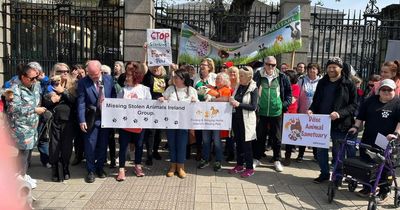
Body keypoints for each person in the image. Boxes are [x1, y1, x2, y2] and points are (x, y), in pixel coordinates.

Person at [349, 79, 400, 203]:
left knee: (386, 165)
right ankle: (367, 187)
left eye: (390, 90)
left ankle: (384, 191)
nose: (386, 92)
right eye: (384, 89)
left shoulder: (397, 103)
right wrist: (355, 127)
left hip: (386, 140)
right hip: (369, 137)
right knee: (366, 162)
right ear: (379, 90)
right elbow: (361, 116)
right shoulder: (370, 101)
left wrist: (396, 133)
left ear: (394, 91)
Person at [308, 57, 358, 184]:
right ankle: (324, 173)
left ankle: (337, 176)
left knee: (338, 152)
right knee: (320, 151)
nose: (331, 69)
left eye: (334, 67)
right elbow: (316, 101)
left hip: (341, 124)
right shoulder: (322, 83)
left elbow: (354, 105)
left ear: (340, 68)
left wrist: (339, 113)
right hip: (321, 123)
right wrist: (311, 110)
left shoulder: (349, 84)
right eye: (329, 67)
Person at [7, 63, 47, 188]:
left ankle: (23, 175)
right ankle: (19, 176)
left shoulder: (35, 85)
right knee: (23, 152)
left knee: (28, 150)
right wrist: (34, 110)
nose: (35, 81)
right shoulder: (14, 89)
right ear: (23, 77)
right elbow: (14, 109)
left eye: (36, 77)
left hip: (32, 125)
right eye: (32, 78)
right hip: (20, 127)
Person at [77, 60, 116, 183]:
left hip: (106, 118)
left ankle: (100, 168)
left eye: (95, 74)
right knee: (90, 145)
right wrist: (82, 120)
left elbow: (114, 97)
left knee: (103, 145)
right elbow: (81, 102)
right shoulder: (83, 82)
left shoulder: (109, 79)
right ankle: (91, 171)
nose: (92, 77)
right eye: (90, 74)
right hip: (91, 118)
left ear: (100, 70)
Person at [253, 56, 292, 172]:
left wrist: (284, 105)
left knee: (276, 137)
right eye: (268, 64)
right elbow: (252, 90)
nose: (270, 67)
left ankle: (277, 160)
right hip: (262, 111)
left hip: (276, 112)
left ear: (276, 65)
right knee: (260, 136)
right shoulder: (258, 75)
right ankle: (257, 158)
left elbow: (289, 93)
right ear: (264, 64)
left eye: (273, 65)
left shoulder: (282, 76)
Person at [159, 69, 198, 178]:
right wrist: (162, 99)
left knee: (181, 144)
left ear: (183, 79)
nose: (174, 79)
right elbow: (164, 98)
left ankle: (181, 166)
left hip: (184, 122)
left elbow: (198, 106)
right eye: (174, 77)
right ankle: (172, 165)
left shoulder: (191, 90)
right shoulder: (170, 89)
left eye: (176, 77)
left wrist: (195, 102)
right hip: (170, 121)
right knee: (171, 143)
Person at [116, 62, 151, 181]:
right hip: (125, 124)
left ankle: (137, 165)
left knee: (139, 146)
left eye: (129, 76)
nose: (126, 77)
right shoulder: (123, 91)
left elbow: (149, 106)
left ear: (136, 76)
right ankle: (121, 169)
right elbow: (116, 106)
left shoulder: (145, 90)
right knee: (123, 146)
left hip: (139, 124)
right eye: (126, 75)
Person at [43, 63, 77, 181]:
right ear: (54, 73)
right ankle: (55, 167)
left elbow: (75, 101)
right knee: (54, 146)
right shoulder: (48, 85)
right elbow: (44, 104)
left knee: (67, 146)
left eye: (66, 71)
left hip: (69, 120)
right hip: (54, 119)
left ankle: (65, 166)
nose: (64, 73)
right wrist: (52, 99)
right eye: (61, 71)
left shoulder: (73, 85)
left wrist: (64, 92)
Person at [198, 72, 231, 172]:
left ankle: (218, 160)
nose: (216, 80)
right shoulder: (213, 89)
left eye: (219, 79)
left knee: (217, 142)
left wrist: (213, 98)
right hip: (207, 119)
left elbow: (226, 99)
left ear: (225, 81)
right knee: (206, 140)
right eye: (216, 78)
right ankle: (205, 159)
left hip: (218, 121)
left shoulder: (226, 90)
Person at [228, 66, 258, 177]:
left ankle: (249, 168)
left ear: (249, 77)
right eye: (239, 75)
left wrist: (238, 104)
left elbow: (253, 106)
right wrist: (231, 99)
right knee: (238, 144)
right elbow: (234, 98)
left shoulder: (253, 88)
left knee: (247, 146)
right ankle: (239, 165)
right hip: (236, 120)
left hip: (247, 122)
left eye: (242, 75)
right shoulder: (238, 86)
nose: (239, 77)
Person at [296, 63, 322, 162]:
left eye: (314, 69)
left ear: (318, 70)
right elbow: (297, 95)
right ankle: (300, 154)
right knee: (303, 133)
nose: (312, 71)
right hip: (303, 111)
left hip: (316, 113)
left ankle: (316, 155)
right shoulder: (301, 80)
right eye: (310, 69)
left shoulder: (322, 81)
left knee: (314, 134)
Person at [142, 65, 168, 163]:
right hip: (150, 108)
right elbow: (144, 65)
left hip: (162, 109)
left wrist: (174, 69)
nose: (156, 69)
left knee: (159, 133)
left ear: (162, 69)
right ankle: (149, 154)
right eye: (154, 67)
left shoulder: (166, 78)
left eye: (158, 67)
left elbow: (172, 84)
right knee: (150, 132)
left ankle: (156, 151)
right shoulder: (149, 76)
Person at [282, 70, 300, 166]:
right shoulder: (282, 86)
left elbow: (292, 100)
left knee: (289, 137)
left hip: (291, 113)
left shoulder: (295, 87)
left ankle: (287, 156)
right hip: (281, 112)